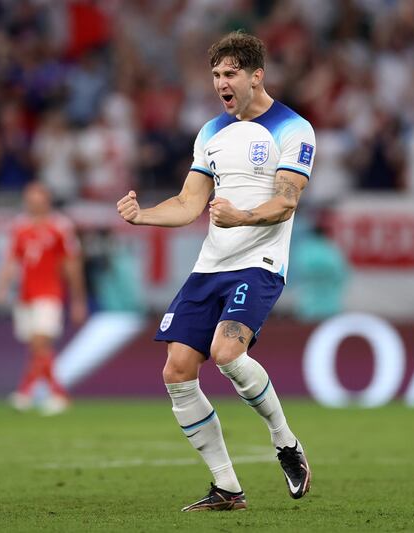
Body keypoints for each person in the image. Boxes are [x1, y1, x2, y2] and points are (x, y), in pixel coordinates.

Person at [116, 31, 316, 511]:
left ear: (256, 75)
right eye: (215, 76)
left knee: (228, 353)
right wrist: (143, 215)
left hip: (260, 263)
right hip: (211, 266)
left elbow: (286, 202)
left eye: (230, 74)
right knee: (177, 370)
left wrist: (243, 217)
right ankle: (227, 487)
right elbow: (189, 204)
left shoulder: (293, 128)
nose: (221, 84)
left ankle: (286, 443)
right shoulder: (210, 133)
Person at [0, 182, 88, 415]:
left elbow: (71, 264)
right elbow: (12, 260)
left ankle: (46, 393)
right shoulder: (20, 226)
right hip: (25, 295)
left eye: (38, 198)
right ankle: (34, 393)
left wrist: (78, 299)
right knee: (36, 347)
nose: (34, 203)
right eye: (30, 199)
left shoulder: (60, 226)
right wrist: (1, 286)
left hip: (49, 292)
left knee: (40, 342)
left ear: (47, 200)